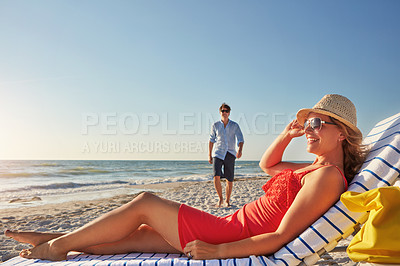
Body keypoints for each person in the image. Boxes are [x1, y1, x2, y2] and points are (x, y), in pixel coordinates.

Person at [5, 94, 367, 262]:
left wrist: (219, 250)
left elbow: (279, 237)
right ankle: (56, 239)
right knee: (141, 237)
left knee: (146, 202)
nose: (309, 130)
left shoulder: (327, 178)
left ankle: (56, 246)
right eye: (308, 124)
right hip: (226, 223)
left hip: (227, 234)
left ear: (343, 135)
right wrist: (287, 135)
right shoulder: (310, 170)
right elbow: (267, 166)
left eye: (318, 124)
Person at [208, 103, 244, 207]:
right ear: (220, 112)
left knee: (229, 178)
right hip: (218, 153)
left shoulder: (234, 125)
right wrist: (209, 155)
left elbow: (240, 139)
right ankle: (220, 199)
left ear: (229, 113)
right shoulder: (215, 125)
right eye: (223, 111)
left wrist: (240, 150)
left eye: (226, 111)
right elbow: (211, 141)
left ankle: (227, 200)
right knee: (216, 176)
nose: (224, 113)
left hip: (230, 153)